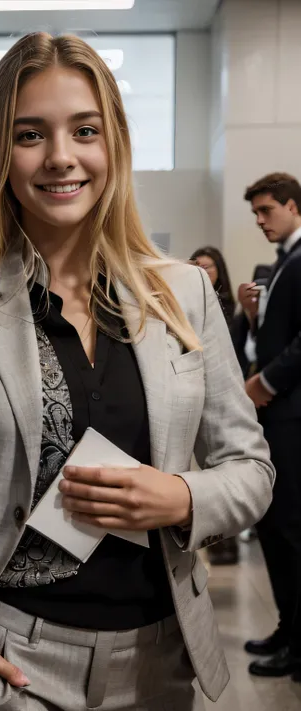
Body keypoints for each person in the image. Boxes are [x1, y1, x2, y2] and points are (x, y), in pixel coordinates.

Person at [0, 33, 274, 711]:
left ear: (115, 144)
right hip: (8, 662)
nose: (60, 157)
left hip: (161, 662)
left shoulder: (185, 295)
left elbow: (251, 467)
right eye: (29, 134)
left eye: (85, 130)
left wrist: (182, 498)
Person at [241, 172, 301, 681]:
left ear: (292, 206)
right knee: (274, 526)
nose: (260, 221)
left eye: (266, 211)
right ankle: (289, 627)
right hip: (277, 413)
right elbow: (279, 336)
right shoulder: (284, 262)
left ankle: (300, 646)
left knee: (290, 529)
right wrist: (254, 318)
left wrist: (265, 384)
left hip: (290, 413)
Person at [189, 247, 239, 565]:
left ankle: (227, 543)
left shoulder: (231, 306)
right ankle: (213, 542)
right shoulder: (187, 302)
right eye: (198, 267)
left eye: (208, 268)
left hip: (226, 388)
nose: (204, 273)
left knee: (226, 468)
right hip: (196, 390)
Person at [189, 247, 236, 328]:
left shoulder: (230, 308)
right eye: (196, 268)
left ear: (219, 270)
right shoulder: (187, 302)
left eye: (205, 267)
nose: (200, 272)